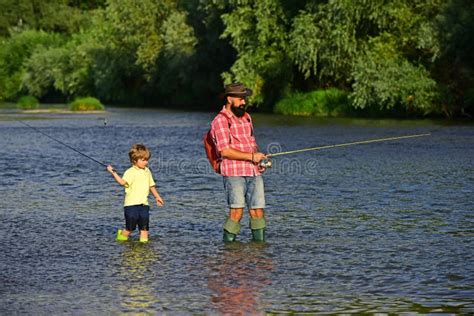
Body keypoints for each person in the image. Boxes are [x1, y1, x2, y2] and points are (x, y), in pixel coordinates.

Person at [210, 82, 268, 242]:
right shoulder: (220, 121)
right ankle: (228, 250)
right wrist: (251, 157)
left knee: (258, 211)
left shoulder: (247, 117)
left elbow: (251, 143)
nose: (244, 102)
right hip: (233, 172)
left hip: (253, 171)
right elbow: (224, 151)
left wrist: (259, 159)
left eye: (244, 98)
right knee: (237, 212)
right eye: (240, 99)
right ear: (229, 99)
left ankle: (259, 250)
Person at [107, 144, 164, 242]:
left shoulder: (147, 171)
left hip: (144, 205)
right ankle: (121, 238)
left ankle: (144, 250)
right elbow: (122, 182)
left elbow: (151, 186)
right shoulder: (130, 172)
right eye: (143, 160)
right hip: (131, 205)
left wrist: (157, 197)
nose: (146, 162)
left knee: (144, 229)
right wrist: (113, 172)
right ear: (134, 160)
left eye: (147, 160)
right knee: (130, 228)